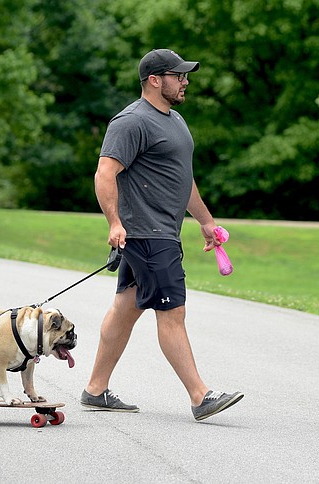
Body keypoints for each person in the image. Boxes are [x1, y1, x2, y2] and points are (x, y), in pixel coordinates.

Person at [80, 48, 244, 421]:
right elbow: (104, 174)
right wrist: (114, 223)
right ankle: (201, 396)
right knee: (172, 311)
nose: (186, 81)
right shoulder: (131, 122)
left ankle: (95, 389)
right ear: (155, 80)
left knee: (125, 308)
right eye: (179, 75)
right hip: (147, 233)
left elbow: (181, 179)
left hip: (163, 230)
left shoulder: (176, 121)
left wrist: (204, 220)